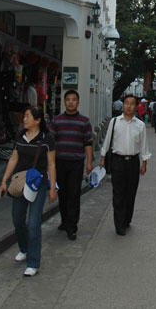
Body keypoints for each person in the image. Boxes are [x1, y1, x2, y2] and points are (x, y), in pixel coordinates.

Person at [0, 106, 57, 277]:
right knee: (17, 219)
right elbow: (14, 158)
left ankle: (33, 262)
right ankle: (24, 248)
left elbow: (51, 164)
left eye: (28, 117)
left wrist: (52, 187)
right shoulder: (20, 136)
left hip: (38, 184)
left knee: (33, 223)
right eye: (24, 116)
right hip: (19, 184)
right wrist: (4, 180)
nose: (24, 119)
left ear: (38, 120)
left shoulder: (47, 139)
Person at [100, 94, 151, 236]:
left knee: (130, 193)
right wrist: (103, 157)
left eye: (132, 103)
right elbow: (107, 140)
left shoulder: (140, 125)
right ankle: (119, 224)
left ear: (136, 107)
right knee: (118, 193)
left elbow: (144, 144)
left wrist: (144, 163)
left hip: (133, 162)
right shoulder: (115, 122)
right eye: (126, 103)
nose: (129, 106)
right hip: (117, 161)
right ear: (123, 105)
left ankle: (127, 219)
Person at [49, 90, 93, 241]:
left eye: (74, 100)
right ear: (64, 102)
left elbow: (88, 142)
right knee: (63, 194)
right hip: (60, 162)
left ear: (78, 102)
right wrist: (50, 164)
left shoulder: (84, 121)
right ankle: (64, 220)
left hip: (76, 163)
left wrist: (89, 162)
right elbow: (51, 143)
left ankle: (72, 227)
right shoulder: (56, 121)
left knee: (74, 194)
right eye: (68, 99)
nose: (71, 102)